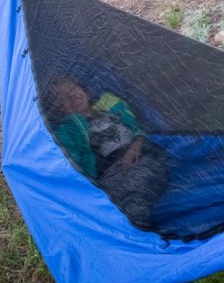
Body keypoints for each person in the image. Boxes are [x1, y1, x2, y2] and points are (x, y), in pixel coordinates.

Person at [44, 78, 169, 230]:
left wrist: (135, 146)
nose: (72, 95)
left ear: (86, 93)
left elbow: (138, 129)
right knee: (115, 202)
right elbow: (72, 162)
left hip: (140, 159)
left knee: (136, 191)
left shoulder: (110, 111)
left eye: (73, 89)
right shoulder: (67, 130)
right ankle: (133, 229)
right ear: (59, 108)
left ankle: (140, 231)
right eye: (63, 96)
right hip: (108, 174)